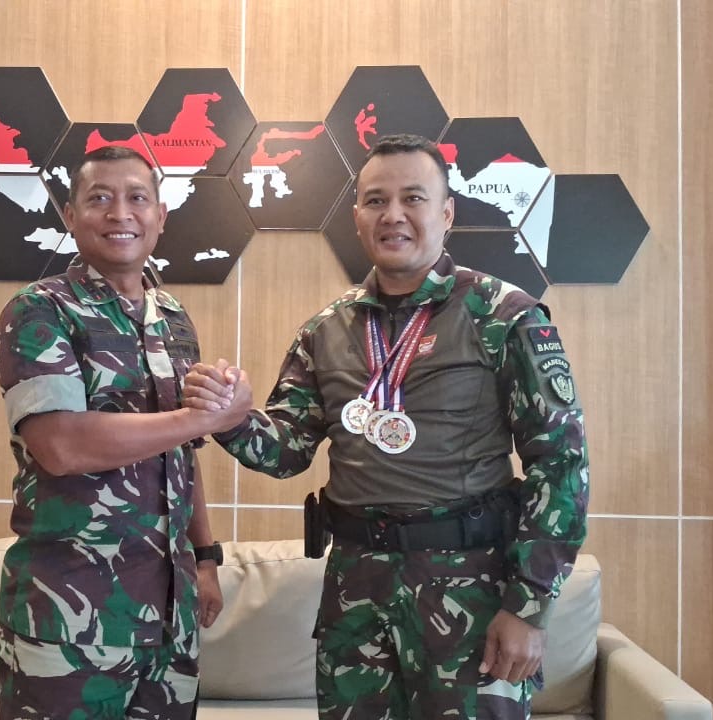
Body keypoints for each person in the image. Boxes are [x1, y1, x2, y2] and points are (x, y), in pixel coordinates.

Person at [182, 134, 589, 720]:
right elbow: (287, 451)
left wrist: (527, 607)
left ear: (447, 213)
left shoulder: (503, 315)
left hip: (471, 590)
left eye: (413, 198)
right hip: (356, 592)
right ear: (356, 217)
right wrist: (229, 416)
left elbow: (562, 465)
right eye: (376, 200)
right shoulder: (326, 331)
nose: (393, 214)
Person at [0, 145, 248, 720]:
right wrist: (201, 417)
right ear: (70, 215)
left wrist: (205, 559)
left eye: (137, 198)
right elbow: (60, 445)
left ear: (161, 215)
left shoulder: (173, 317)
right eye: (99, 198)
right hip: (70, 617)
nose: (120, 213)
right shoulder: (40, 311)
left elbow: (183, 454)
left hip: (171, 616)